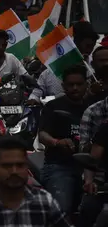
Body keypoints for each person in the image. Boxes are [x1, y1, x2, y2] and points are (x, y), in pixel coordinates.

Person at [38, 65, 87, 214]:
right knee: (60, 211)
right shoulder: (53, 106)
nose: (75, 88)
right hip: (59, 166)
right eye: (71, 85)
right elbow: (42, 135)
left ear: (86, 85)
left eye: (79, 84)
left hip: (91, 168)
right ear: (63, 86)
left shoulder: (95, 107)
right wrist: (57, 142)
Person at [30, 22, 98, 101]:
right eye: (87, 46)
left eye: (92, 46)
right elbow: (36, 94)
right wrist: (33, 100)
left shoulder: (95, 70)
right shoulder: (50, 72)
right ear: (74, 43)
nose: (89, 50)